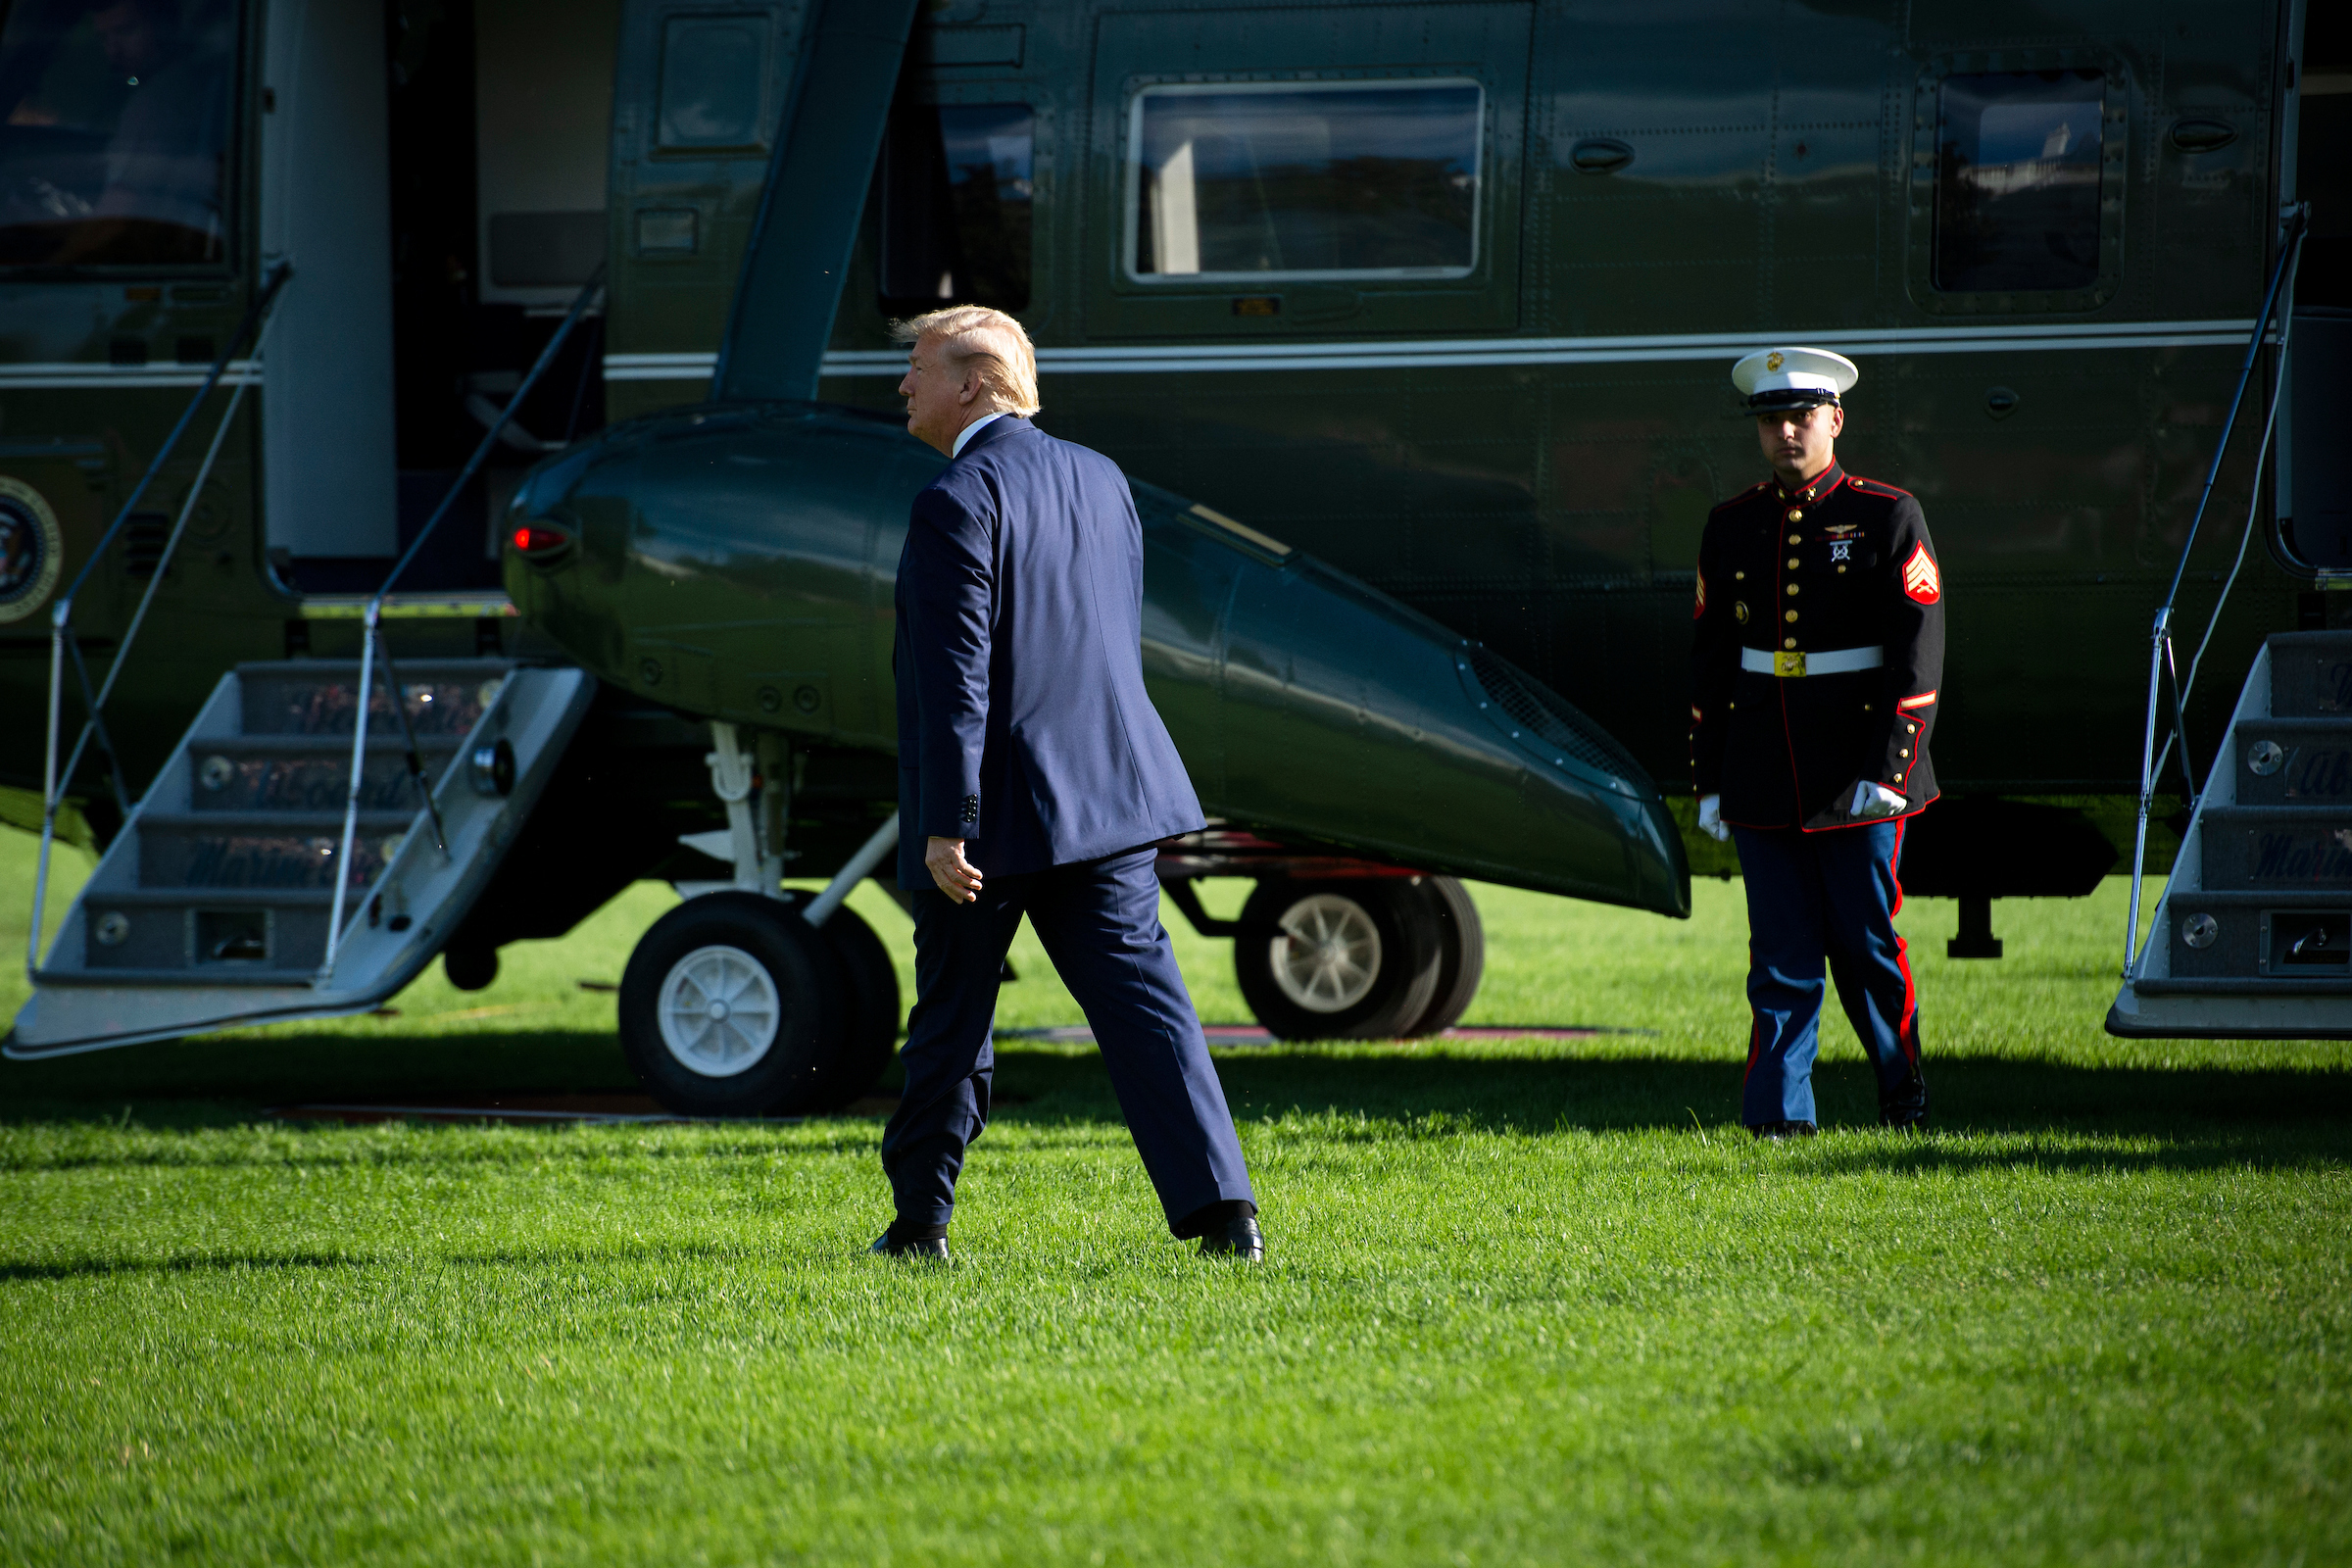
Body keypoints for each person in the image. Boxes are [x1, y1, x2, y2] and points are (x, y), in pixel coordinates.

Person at [874, 304, 1262, 1260]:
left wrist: (947, 821)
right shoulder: (1100, 478)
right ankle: (1227, 1216)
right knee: (1147, 1011)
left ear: (972, 382)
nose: (903, 386)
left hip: (994, 816)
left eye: (917, 367)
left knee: (951, 1020)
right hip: (1109, 802)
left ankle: (920, 1224)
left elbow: (955, 676)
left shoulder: (955, 498)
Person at [1689, 347, 1939, 1138]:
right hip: (1764, 767)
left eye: (1802, 417)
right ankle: (1778, 1122)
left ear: (1836, 419)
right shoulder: (1731, 524)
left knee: (1865, 946)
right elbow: (1710, 658)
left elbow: (1918, 644)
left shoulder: (1886, 511)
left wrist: (1893, 764)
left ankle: (1903, 1094)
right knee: (1780, 957)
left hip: (1857, 770)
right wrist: (1709, 777)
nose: (1787, 432)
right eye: (1772, 420)